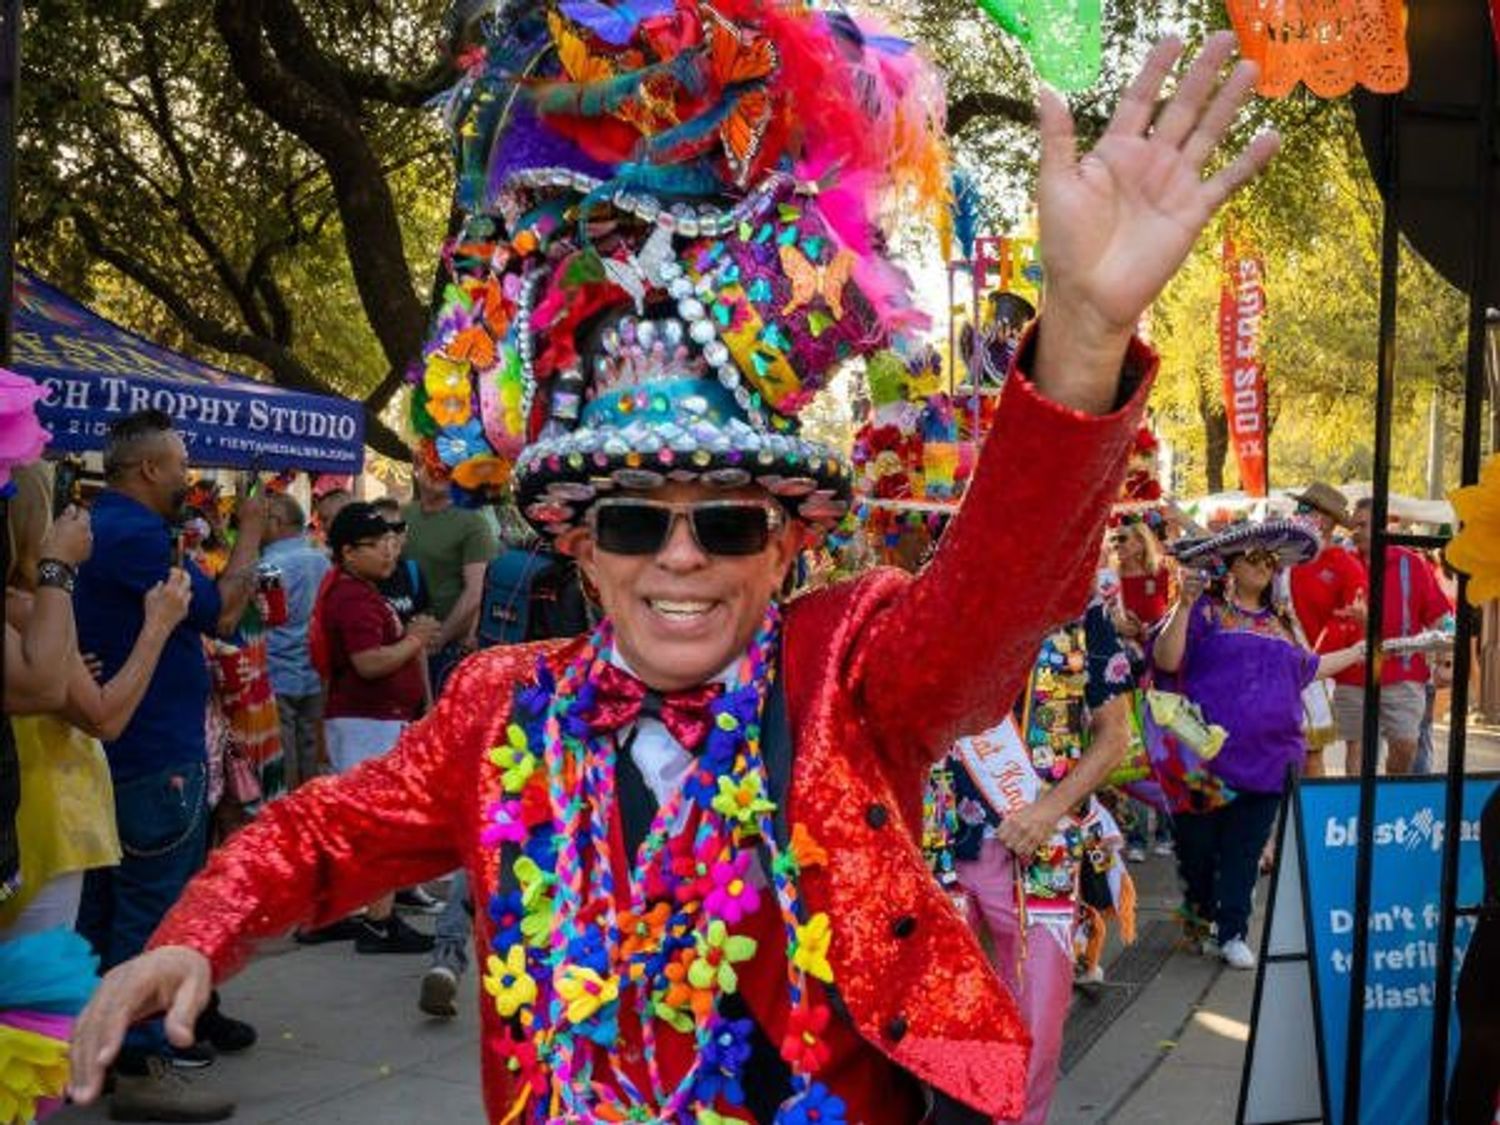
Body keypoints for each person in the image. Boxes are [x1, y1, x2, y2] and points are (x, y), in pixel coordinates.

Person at [69, 22, 1277, 1123]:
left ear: (789, 543)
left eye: (730, 525)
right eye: (637, 523)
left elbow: (997, 601)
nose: (682, 554)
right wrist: (196, 933)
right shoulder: (498, 708)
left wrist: (1082, 337)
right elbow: (316, 833)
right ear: (582, 547)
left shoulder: (846, 675)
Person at [72, 410, 264, 1121]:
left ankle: (103, 1048)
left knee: (107, 911)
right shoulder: (135, 535)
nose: (189, 476)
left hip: (121, 753)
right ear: (150, 468)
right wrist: (250, 531)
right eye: (182, 464)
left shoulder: (101, 526)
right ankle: (142, 1061)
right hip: (154, 755)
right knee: (152, 914)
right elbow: (223, 612)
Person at [943, 594, 1133, 1123]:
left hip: (1043, 848)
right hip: (942, 842)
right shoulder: (949, 591)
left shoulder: (1081, 612)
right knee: (942, 1022)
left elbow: (1115, 735)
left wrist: (1049, 810)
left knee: (1036, 1029)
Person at [1153, 522, 1366, 970]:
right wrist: (1183, 604)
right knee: (1199, 849)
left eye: (1271, 560)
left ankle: (1232, 932)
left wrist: (1359, 652)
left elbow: (1307, 669)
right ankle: (1201, 918)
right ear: (1230, 565)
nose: (1264, 566)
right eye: (1253, 558)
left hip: (1270, 760)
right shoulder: (1205, 611)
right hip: (1205, 761)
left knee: (1244, 852)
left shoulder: (1280, 623)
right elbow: (1166, 660)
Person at [0, 465, 192, 939]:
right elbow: (103, 716)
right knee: (38, 979)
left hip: (39, 819)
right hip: (46, 819)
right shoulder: (26, 607)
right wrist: (158, 625)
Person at [315, 502, 441, 953]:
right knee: (378, 823)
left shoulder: (360, 590)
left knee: (363, 822)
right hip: (367, 722)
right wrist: (415, 639)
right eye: (375, 545)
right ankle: (378, 922)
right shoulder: (352, 597)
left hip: (372, 719)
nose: (388, 552)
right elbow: (368, 663)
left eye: (390, 541)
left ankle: (331, 915)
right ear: (349, 552)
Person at [1336, 497, 1453, 776]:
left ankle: (1388, 794)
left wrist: (1446, 660)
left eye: (1364, 524)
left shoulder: (1411, 563)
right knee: (1358, 749)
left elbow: (1441, 617)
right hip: (1354, 674)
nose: (1356, 531)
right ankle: (1361, 802)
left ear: (1383, 526)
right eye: (1354, 525)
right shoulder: (1343, 563)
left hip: (1403, 674)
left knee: (1406, 745)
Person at [1287, 481, 1364, 778]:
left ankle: (1310, 807)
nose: (1298, 513)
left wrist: (1318, 659)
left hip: (1312, 668)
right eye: (1299, 507)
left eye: (1305, 508)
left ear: (1326, 520)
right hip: (1277, 662)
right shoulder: (1283, 559)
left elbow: (1350, 618)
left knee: (1310, 753)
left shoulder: (1346, 565)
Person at [401, 456, 496, 693]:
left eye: (448, 467)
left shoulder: (474, 523)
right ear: (417, 466)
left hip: (444, 651)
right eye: (433, 465)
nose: (439, 472)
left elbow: (475, 591)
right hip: (399, 645)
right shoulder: (401, 515)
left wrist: (440, 638)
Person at [260, 494, 331, 791]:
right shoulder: (322, 561)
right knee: (311, 746)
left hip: (277, 670)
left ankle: (289, 809)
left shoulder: (268, 566)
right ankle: (312, 806)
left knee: (285, 750)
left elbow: (263, 619)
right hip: (314, 670)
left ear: (275, 523)